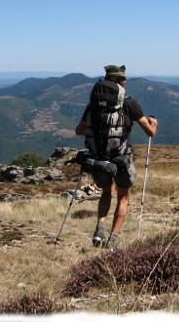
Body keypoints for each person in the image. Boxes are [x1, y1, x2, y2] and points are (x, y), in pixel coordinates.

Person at [75, 64, 158, 250]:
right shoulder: (130, 103)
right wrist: (154, 123)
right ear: (121, 82)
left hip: (99, 160)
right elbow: (150, 132)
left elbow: (79, 131)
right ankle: (113, 239)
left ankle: (99, 228)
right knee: (123, 198)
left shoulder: (94, 106)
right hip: (121, 159)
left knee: (106, 192)